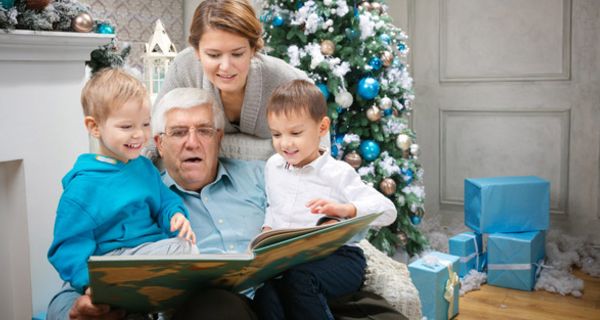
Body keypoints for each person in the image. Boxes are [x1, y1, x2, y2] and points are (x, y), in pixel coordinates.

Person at [47, 87, 405, 320]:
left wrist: (331, 225)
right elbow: (88, 269)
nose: (192, 142)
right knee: (213, 308)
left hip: (292, 292)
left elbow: (329, 212)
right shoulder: (143, 199)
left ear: (218, 137)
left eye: (204, 130)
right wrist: (73, 309)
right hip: (222, 310)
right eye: (178, 132)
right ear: (158, 141)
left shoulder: (263, 173)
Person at [46, 70, 197, 317]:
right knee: (183, 253)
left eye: (146, 124)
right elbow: (67, 246)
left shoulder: (144, 167)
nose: (139, 134)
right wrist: (90, 284)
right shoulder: (83, 187)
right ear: (94, 127)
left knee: (185, 248)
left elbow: (165, 201)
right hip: (113, 264)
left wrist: (175, 216)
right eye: (127, 126)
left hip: (151, 251)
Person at [252, 80, 397, 319]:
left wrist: (345, 210)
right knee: (266, 293)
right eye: (276, 134)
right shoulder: (273, 166)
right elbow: (273, 205)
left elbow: (387, 210)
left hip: (340, 258)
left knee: (300, 279)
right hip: (291, 260)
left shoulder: (337, 172)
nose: (285, 143)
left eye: (296, 133)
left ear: (322, 127)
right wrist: (268, 229)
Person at [156, 0, 310, 140]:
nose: (226, 66)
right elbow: (154, 136)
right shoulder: (183, 68)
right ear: (196, 50)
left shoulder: (283, 79)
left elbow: (316, 143)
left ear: (253, 49)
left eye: (237, 54)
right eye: (213, 55)